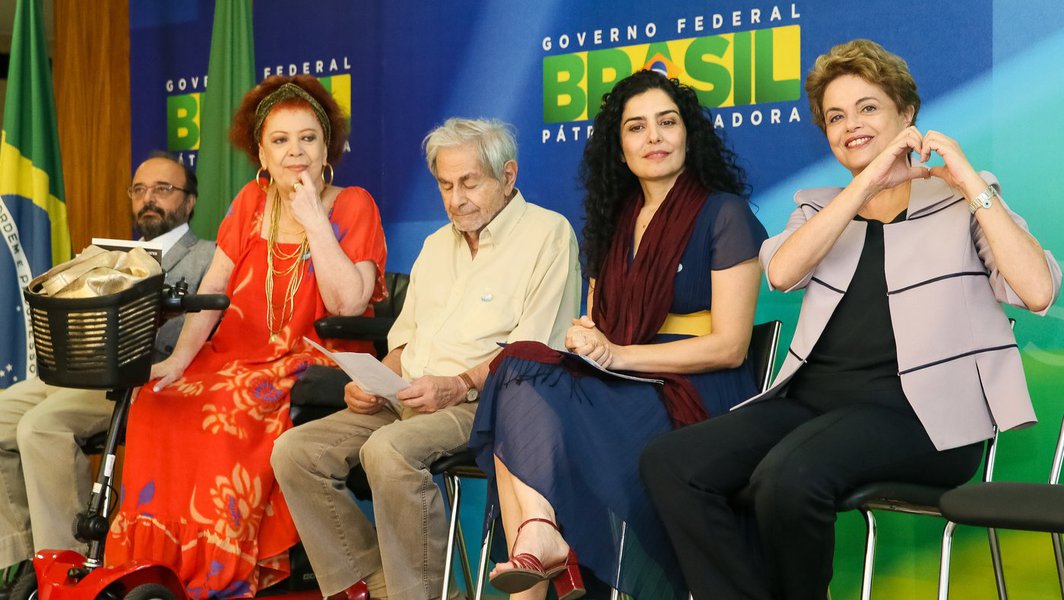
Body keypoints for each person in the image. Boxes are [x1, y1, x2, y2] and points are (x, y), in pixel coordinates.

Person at [640, 39, 1062, 600]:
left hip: (926, 417)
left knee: (788, 477)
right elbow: (782, 272)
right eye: (835, 117)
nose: (850, 126)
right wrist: (866, 183)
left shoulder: (960, 198)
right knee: (670, 462)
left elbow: (1036, 291)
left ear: (906, 114)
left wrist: (969, 181)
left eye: (868, 108)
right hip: (814, 405)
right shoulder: (819, 207)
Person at [469, 69, 768, 600]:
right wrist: (589, 336)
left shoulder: (725, 213)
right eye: (636, 128)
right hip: (622, 380)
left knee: (527, 416)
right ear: (620, 147)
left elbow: (731, 347)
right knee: (515, 367)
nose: (653, 137)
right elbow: (603, 326)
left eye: (667, 122)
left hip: (695, 391)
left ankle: (535, 569)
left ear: (688, 133)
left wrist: (619, 353)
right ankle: (538, 535)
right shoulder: (615, 221)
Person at [271, 117, 581, 600]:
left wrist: (456, 385)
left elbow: (532, 351)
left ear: (508, 176)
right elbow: (404, 344)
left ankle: (425, 595)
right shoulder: (436, 245)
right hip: (409, 398)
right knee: (295, 452)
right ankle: (377, 588)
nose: (456, 198)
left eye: (469, 183)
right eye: (445, 185)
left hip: (487, 402)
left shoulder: (548, 234)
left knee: (388, 450)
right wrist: (373, 381)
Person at [105, 75, 387, 599]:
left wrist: (315, 223)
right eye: (280, 140)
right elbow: (213, 289)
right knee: (156, 399)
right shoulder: (249, 201)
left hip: (315, 356)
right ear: (261, 150)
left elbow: (349, 303)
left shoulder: (353, 205)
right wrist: (179, 361)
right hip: (237, 352)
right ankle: (154, 570)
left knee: (228, 410)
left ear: (327, 148)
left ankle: (218, 573)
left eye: (308, 138)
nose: (294, 151)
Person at [0, 153, 214, 590]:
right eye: (139, 190)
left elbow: (200, 333)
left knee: (41, 428)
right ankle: (21, 558)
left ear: (189, 203)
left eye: (162, 189)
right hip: (80, 371)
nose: (148, 199)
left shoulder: (209, 259)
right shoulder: (108, 255)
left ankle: (65, 568)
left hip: (144, 379)